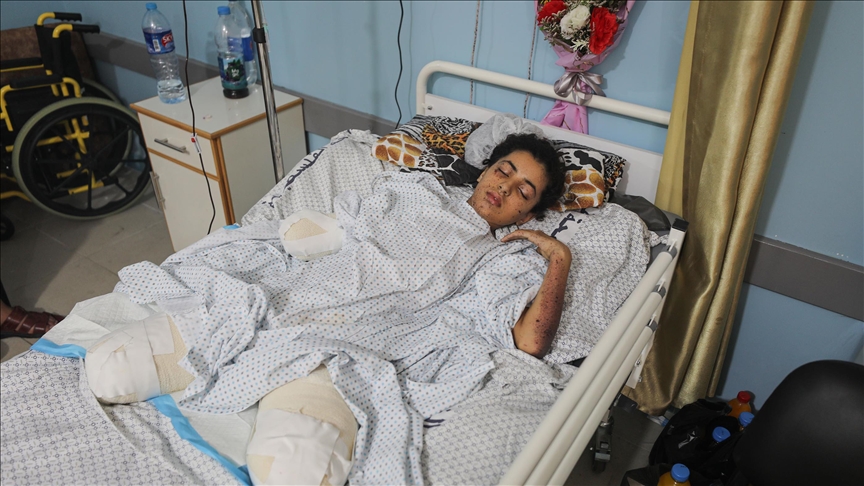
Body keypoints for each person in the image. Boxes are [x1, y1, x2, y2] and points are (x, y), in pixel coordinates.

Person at [466, 132, 569, 358]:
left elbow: (530, 343)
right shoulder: (416, 190)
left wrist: (560, 258)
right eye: (503, 172)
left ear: (527, 216)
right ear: (484, 172)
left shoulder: (508, 258)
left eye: (523, 191)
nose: (505, 187)